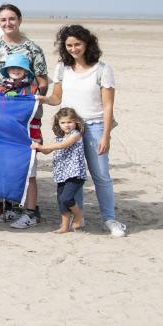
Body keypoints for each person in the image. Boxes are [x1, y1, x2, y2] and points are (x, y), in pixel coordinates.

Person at [39, 25, 125, 237]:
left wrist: (106, 135)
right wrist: (42, 99)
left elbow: (107, 106)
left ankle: (110, 219)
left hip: (94, 127)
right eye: (69, 45)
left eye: (77, 44)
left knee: (101, 175)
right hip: (68, 128)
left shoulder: (103, 69)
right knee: (71, 174)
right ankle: (79, 216)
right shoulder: (62, 68)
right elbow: (57, 98)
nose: (73, 49)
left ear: (87, 43)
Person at [0, 53, 43, 229]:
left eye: (19, 68)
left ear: (26, 71)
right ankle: (11, 208)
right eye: (12, 68)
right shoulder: (2, 89)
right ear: (7, 71)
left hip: (27, 139)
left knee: (30, 175)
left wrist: (23, 102)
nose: (15, 71)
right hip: (7, 138)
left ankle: (30, 213)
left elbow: (37, 114)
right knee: (9, 173)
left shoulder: (32, 90)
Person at [31, 108, 87, 234]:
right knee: (61, 201)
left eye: (70, 122)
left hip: (75, 173)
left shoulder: (76, 134)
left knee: (67, 198)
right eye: (63, 123)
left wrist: (42, 146)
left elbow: (63, 145)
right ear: (58, 124)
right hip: (61, 174)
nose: (67, 125)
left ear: (76, 122)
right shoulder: (58, 138)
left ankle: (78, 215)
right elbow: (46, 151)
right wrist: (36, 146)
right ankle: (65, 226)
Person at [0, 4, 47, 94]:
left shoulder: (34, 49)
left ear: (20, 20)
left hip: (21, 103)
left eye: (12, 19)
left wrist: (35, 102)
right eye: (3, 20)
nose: (8, 23)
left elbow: (43, 83)